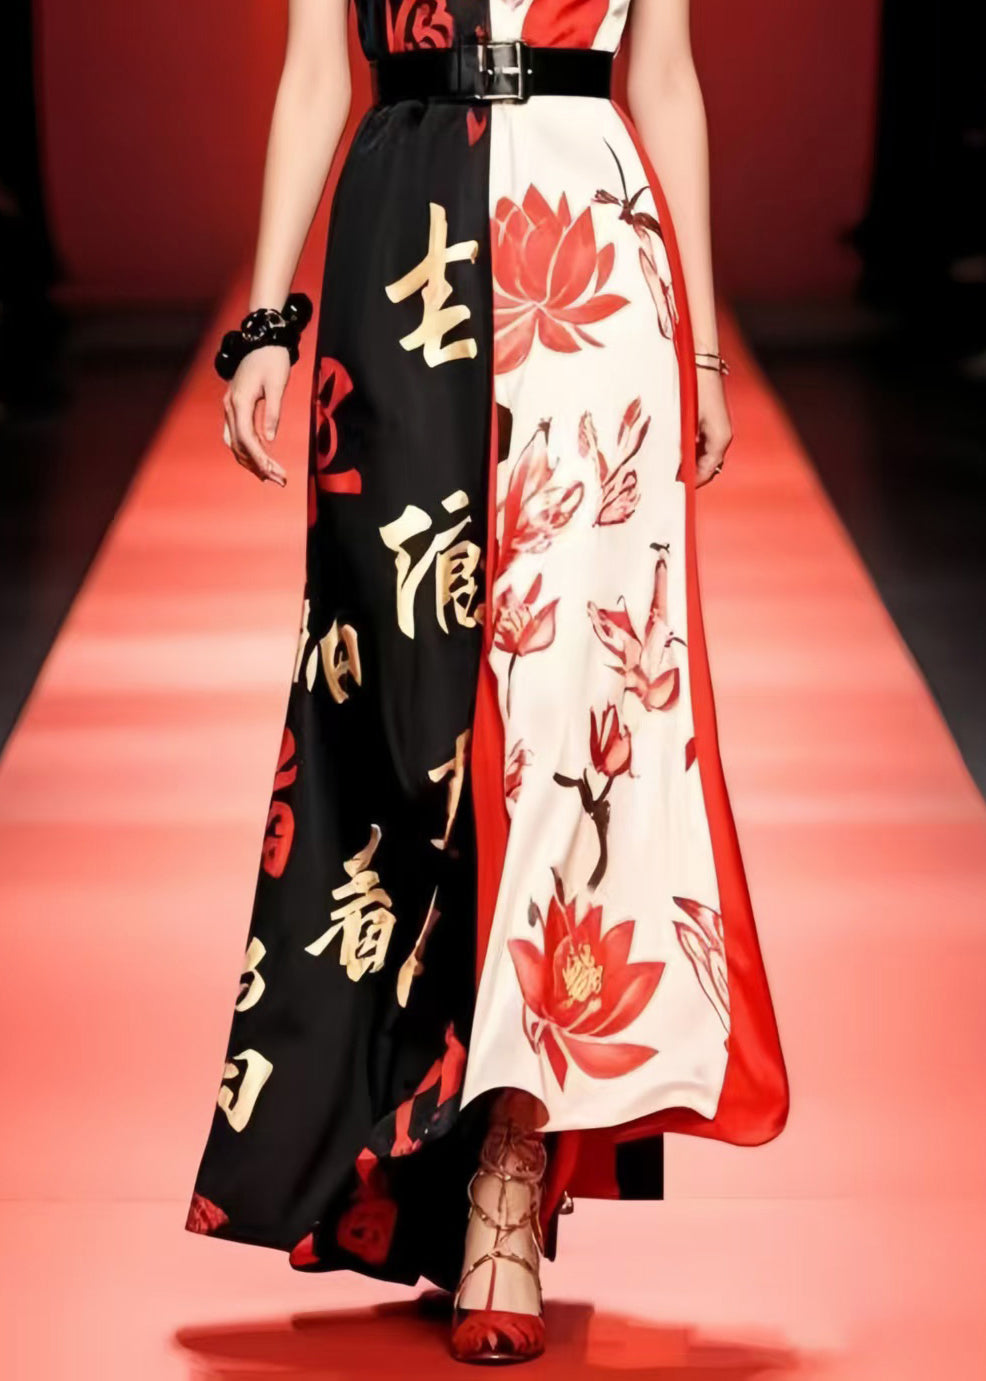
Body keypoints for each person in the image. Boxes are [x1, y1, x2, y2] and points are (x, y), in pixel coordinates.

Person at [186, 0, 790, 1364]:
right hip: (403, 243)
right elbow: (312, 75)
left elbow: (666, 76)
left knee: (568, 715)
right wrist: (268, 318)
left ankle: (511, 1168)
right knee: (399, 719)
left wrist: (698, 346)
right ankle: (418, 1154)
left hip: (592, 259)